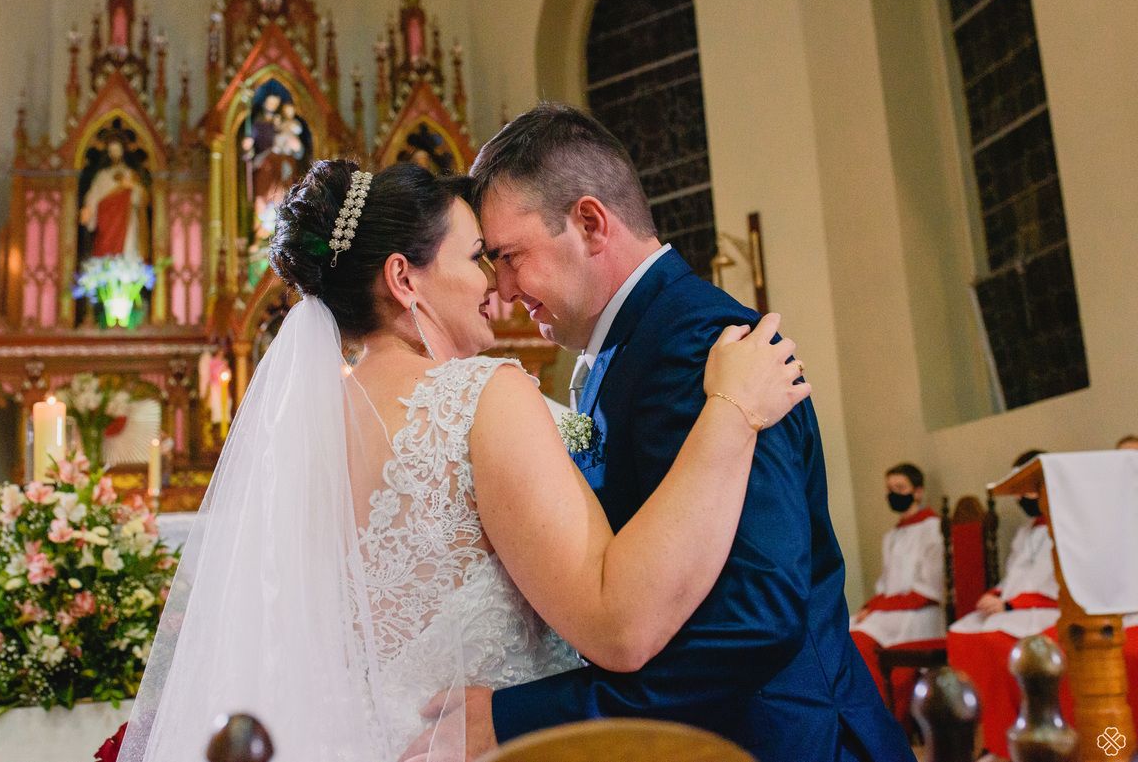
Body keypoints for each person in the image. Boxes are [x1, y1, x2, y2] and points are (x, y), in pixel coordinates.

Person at [116, 159, 810, 762]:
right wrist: (732, 409)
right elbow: (620, 624)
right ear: (403, 277)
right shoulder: (482, 397)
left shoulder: (301, 442)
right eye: (477, 255)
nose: (496, 285)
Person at [447, 102, 912, 762]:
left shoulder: (700, 342)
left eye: (510, 256)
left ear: (589, 222)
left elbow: (754, 615)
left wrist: (523, 718)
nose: (502, 287)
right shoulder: (632, 344)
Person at [946, 449, 1059, 760]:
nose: (1022, 497)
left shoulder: (1064, 526)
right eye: (1018, 491)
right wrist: (995, 595)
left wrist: (1011, 606)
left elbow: (1057, 584)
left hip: (1043, 609)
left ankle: (1007, 737)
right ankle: (980, 736)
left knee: (992, 640)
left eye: (1027, 489)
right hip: (1014, 607)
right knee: (959, 633)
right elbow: (1012, 577)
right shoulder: (1025, 532)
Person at [850, 463, 945, 724]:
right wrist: (872, 605)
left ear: (917, 492)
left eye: (900, 488)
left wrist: (879, 607)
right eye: (890, 489)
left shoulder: (933, 529)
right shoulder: (891, 536)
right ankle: (859, 719)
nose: (894, 494)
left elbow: (930, 589)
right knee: (842, 630)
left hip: (920, 613)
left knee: (860, 640)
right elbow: (885, 584)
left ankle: (888, 720)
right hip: (892, 611)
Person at [79, 137, 148, 262]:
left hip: (126, 222)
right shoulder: (102, 176)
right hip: (106, 225)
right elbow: (93, 197)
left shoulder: (130, 174)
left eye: (117, 150)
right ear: (108, 153)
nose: (115, 153)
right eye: (112, 150)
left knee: (128, 250)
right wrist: (88, 210)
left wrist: (132, 187)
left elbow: (142, 199)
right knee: (105, 256)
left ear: (123, 152)